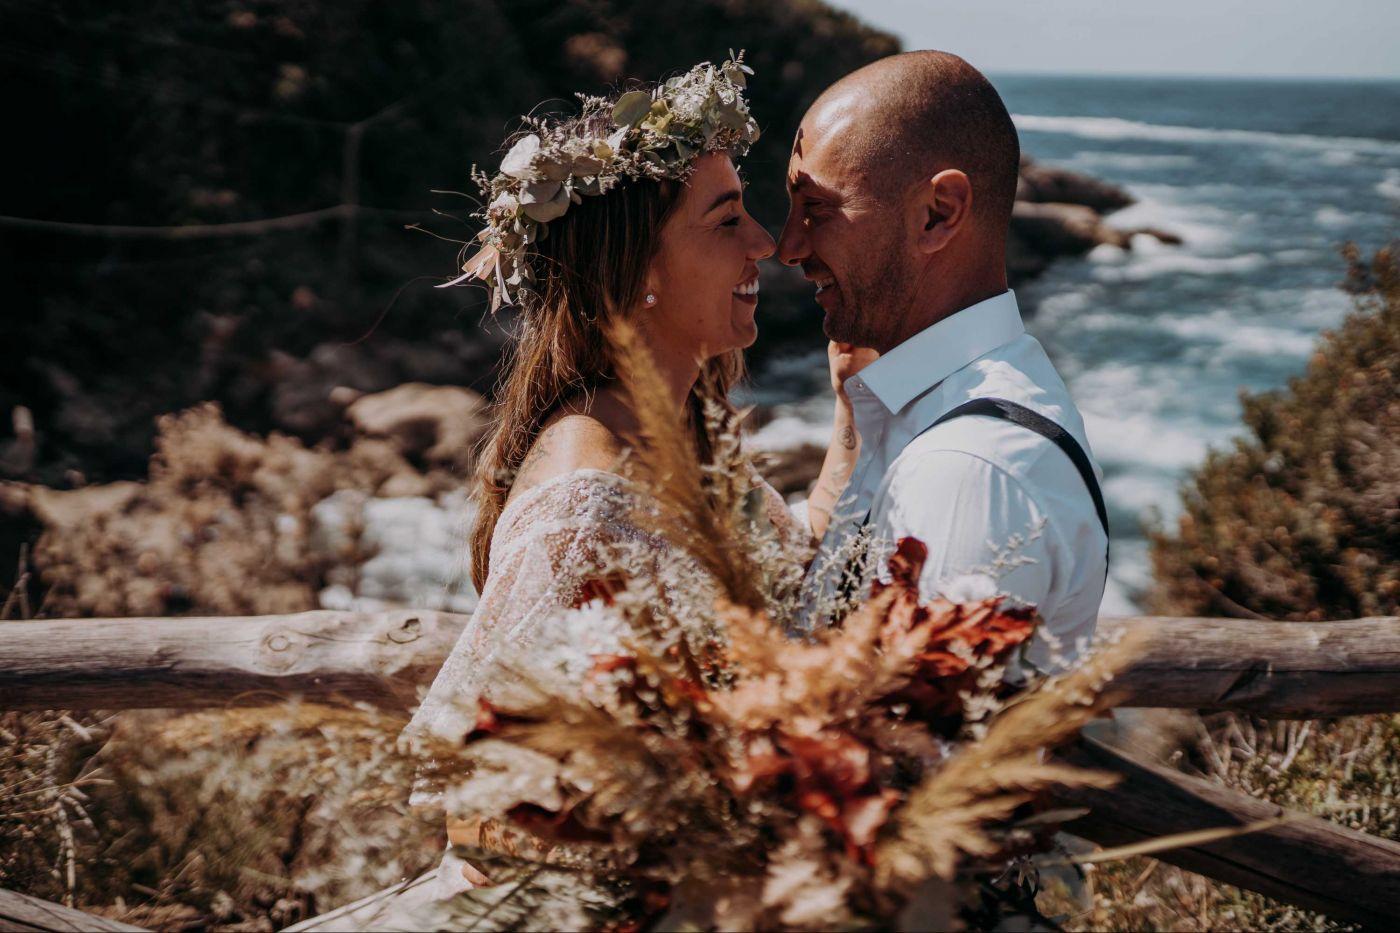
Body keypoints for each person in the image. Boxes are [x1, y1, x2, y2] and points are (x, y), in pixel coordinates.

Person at [399, 57, 816, 907]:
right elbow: (487, 807)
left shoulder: (683, 436)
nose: (764, 244)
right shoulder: (587, 506)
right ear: (638, 273)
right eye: (726, 220)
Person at [783, 50, 1109, 673]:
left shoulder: (967, 469)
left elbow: (906, 729)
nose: (789, 246)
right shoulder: (916, 412)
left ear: (938, 214)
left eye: (816, 209)